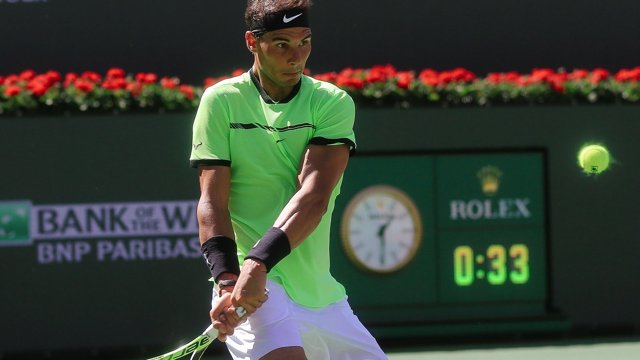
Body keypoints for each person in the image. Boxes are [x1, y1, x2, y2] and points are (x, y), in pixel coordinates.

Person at [189, 0, 387, 359]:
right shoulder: (220, 102)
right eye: (282, 44)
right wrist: (228, 280)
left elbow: (313, 198)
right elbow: (211, 202)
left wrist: (257, 264)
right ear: (252, 42)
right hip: (258, 289)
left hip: (318, 293)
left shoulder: (330, 102)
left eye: (305, 41)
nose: (297, 56)